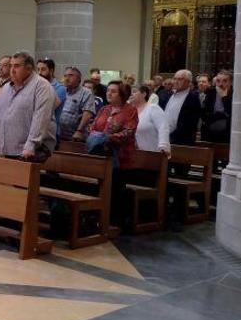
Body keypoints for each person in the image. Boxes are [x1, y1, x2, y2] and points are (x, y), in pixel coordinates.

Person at [0, 51, 56, 161]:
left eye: (17, 66)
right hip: (9, 149)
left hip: (33, 150)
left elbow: (41, 118)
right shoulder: (5, 88)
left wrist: (31, 146)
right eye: (11, 66)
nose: (12, 70)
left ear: (29, 69)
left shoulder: (42, 87)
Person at [88, 81, 138, 227]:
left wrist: (107, 138)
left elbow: (129, 131)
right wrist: (96, 136)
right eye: (108, 90)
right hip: (101, 156)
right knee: (100, 188)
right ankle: (98, 218)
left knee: (116, 190)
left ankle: (114, 222)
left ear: (122, 94)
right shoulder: (104, 109)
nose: (109, 93)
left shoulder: (130, 110)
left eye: (113, 91)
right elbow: (93, 126)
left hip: (120, 157)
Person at [160, 69, 201, 145]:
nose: (176, 81)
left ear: (188, 82)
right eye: (174, 79)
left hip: (181, 141)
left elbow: (189, 124)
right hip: (165, 138)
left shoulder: (193, 98)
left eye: (180, 79)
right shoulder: (170, 95)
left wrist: (171, 136)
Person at [130, 85, 170, 157]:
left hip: (153, 153)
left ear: (144, 94)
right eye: (130, 93)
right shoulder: (130, 112)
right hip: (135, 155)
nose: (131, 94)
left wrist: (163, 145)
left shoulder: (152, 108)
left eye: (134, 92)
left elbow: (163, 127)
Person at [58, 67, 96, 142]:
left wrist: (79, 131)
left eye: (70, 75)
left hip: (74, 136)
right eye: (65, 76)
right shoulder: (61, 91)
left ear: (79, 79)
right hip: (58, 134)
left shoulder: (86, 92)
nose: (67, 78)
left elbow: (87, 114)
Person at [201, 69, 233, 143]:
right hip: (209, 133)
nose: (220, 84)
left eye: (225, 81)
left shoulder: (234, 94)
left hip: (226, 135)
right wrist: (219, 115)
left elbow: (231, 113)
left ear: (230, 82)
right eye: (218, 81)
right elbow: (204, 114)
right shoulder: (211, 93)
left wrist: (224, 97)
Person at [37, 58, 66, 138]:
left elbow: (47, 109)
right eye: (38, 69)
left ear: (51, 71)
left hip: (50, 132)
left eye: (43, 69)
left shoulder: (60, 89)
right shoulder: (36, 86)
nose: (39, 73)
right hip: (37, 130)